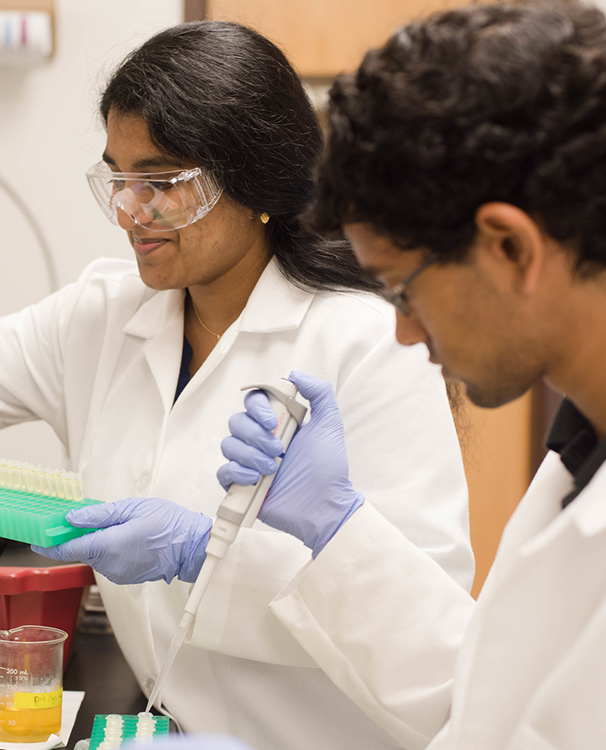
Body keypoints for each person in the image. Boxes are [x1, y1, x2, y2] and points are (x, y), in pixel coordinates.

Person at [0, 22, 473, 749]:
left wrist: (198, 553)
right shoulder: (106, 316)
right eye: (117, 178)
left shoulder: (369, 342)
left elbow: (425, 630)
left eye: (162, 184)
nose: (128, 213)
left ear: (257, 183)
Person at [216, 1, 606, 748]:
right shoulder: (579, 450)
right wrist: (334, 529)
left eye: (402, 287)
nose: (400, 328)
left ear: (510, 248)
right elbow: (485, 708)